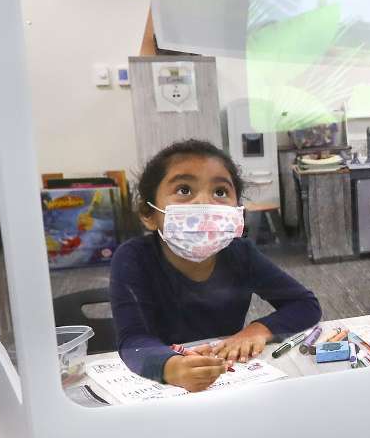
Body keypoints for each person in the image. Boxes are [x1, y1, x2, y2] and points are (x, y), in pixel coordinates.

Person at [110, 139, 322, 392]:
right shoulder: (133, 258)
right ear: (149, 214)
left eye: (220, 192)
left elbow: (304, 304)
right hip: (162, 385)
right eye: (184, 190)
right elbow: (134, 340)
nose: (204, 202)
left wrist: (258, 330)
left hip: (226, 377)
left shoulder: (241, 253)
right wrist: (171, 366)